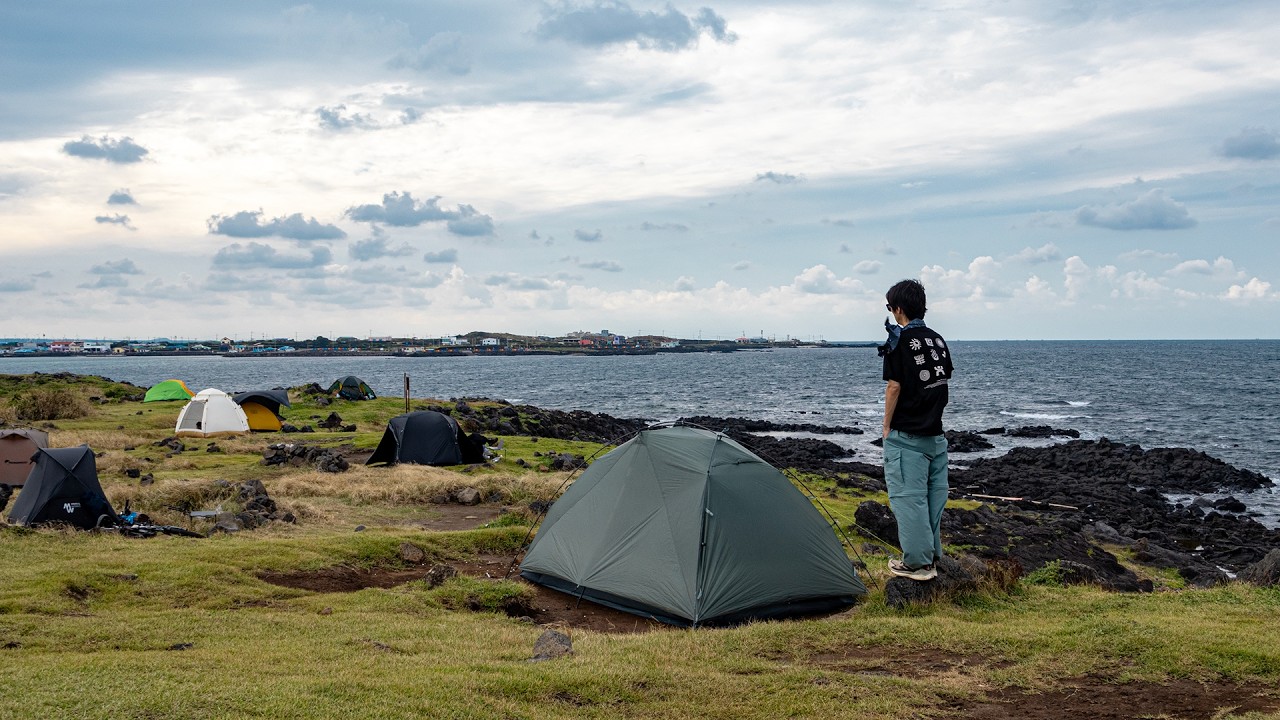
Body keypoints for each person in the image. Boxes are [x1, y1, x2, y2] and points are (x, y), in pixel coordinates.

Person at [878, 279, 954, 581]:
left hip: (907, 437)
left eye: (890, 307)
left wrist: (886, 427)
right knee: (933, 500)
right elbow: (941, 382)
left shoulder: (898, 341)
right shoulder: (937, 340)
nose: (891, 313)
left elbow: (894, 387)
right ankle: (931, 556)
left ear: (898, 308)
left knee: (908, 500)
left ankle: (918, 565)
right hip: (936, 436)